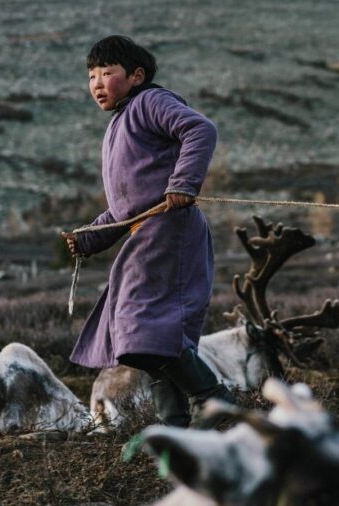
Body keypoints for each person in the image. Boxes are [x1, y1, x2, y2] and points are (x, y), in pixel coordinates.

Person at [61, 35, 233, 428]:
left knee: (146, 329)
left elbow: (200, 130)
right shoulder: (117, 125)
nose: (97, 83)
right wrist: (88, 237)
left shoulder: (149, 103)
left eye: (107, 72)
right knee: (145, 343)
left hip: (170, 232)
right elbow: (126, 208)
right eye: (91, 76)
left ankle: (219, 405)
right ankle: (175, 432)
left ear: (137, 76)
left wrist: (183, 183)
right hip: (145, 236)